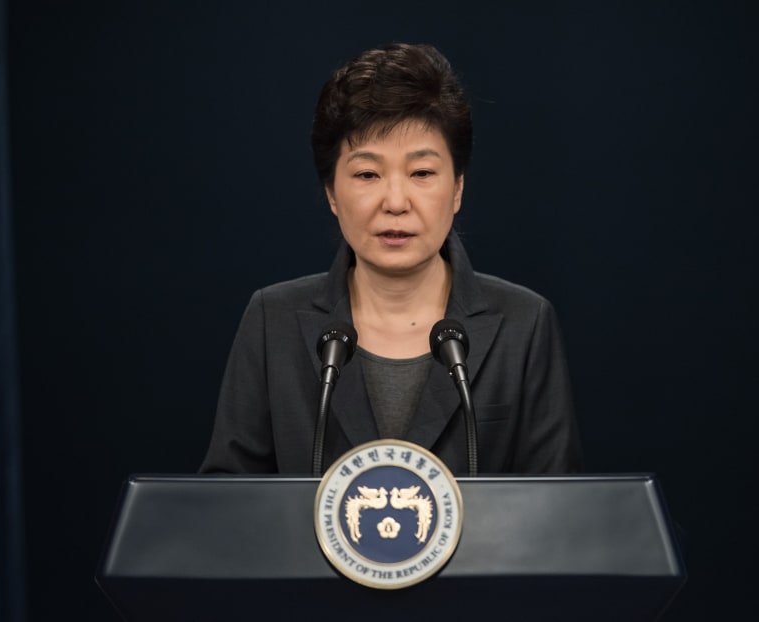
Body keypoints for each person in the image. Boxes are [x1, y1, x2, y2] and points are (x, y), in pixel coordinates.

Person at [199, 42, 582, 476]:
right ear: (331, 193)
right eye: (367, 174)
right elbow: (227, 505)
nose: (396, 202)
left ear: (457, 188)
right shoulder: (274, 320)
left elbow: (557, 512)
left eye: (421, 173)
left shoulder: (524, 323)